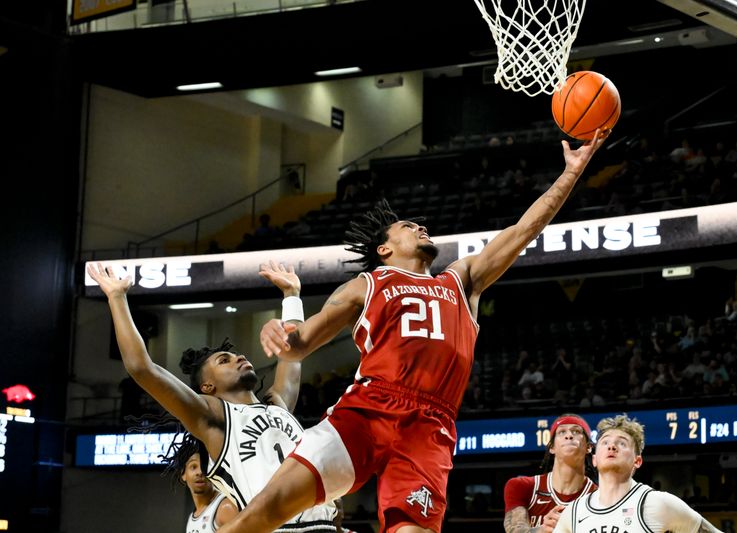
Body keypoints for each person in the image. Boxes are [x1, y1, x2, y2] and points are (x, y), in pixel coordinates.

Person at [218, 131, 605, 533]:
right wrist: (282, 319)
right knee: (265, 512)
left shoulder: (462, 280)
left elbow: (525, 229)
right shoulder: (367, 284)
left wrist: (571, 174)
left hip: (430, 426)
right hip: (369, 410)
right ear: (385, 249)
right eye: (407, 225)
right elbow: (297, 346)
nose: (420, 225)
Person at [86, 262, 338, 532]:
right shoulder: (213, 416)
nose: (240, 357)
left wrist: (291, 296)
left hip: (324, 524)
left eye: (236, 355)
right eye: (224, 360)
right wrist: (117, 297)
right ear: (207, 386)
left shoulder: (277, 404)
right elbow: (141, 368)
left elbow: (294, 352)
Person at [553, 415, 723, 533]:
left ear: (637, 461)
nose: (612, 447)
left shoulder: (657, 503)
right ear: (595, 459)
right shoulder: (574, 512)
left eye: (621, 443)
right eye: (605, 442)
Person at [503, 414, 597, 533]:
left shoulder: (598, 496)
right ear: (552, 447)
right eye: (562, 432)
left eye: (576, 431)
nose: (569, 435)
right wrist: (543, 530)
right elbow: (515, 530)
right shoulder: (522, 486)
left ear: (588, 447)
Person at [162, 433, 238, 533]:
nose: (200, 472)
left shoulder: (225, 507)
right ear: (183, 475)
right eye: (193, 467)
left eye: (204, 466)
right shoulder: (191, 519)